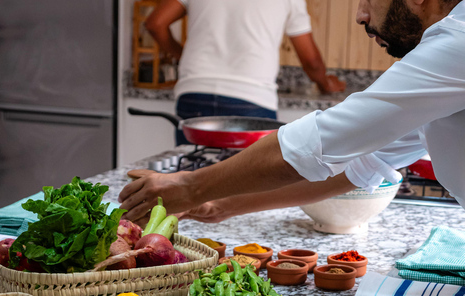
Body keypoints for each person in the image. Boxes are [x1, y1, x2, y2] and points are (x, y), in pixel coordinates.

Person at [120, 0, 465, 227]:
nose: (360, 14)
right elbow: (360, 165)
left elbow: (313, 145)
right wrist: (219, 204)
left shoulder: (458, 43)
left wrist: (188, 185)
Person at [145, 0, 346, 145]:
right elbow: (311, 62)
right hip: (252, 100)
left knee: (189, 180)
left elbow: (155, 23)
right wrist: (324, 83)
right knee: (246, 189)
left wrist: (183, 57)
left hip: (195, 92)